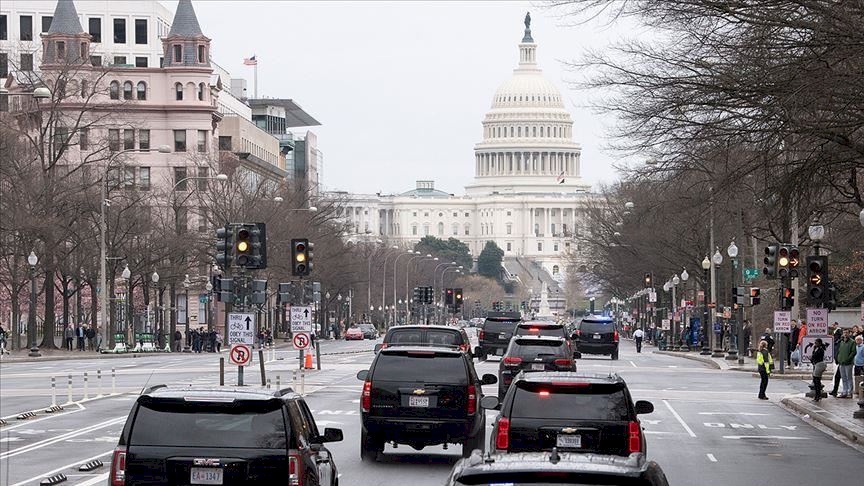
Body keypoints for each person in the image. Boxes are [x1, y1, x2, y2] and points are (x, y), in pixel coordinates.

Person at [836, 328, 856, 398]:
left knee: (849, 378)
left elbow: (853, 352)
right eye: (844, 333)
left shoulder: (852, 342)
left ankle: (849, 392)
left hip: (848, 363)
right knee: (843, 378)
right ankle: (844, 391)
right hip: (841, 363)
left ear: (849, 333)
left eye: (847, 332)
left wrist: (848, 359)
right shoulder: (841, 341)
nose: (845, 334)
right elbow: (839, 351)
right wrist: (838, 358)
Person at [810, 338, 827, 402]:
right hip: (816, 364)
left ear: (819, 343)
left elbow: (814, 356)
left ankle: (818, 396)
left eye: (816, 343)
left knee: (816, 380)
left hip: (819, 365)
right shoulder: (817, 349)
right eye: (815, 342)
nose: (815, 344)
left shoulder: (820, 350)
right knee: (816, 380)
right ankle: (817, 395)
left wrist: (814, 352)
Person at [829, 325, 843, 396]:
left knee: (845, 378)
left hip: (844, 363)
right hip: (840, 363)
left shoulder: (848, 343)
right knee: (837, 377)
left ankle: (846, 391)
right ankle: (835, 390)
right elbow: (837, 352)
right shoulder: (839, 343)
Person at [853, 335, 864, 399]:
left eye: (858, 340)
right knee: (856, 377)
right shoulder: (856, 347)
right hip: (856, 364)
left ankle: (862, 390)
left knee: (862, 377)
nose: (857, 341)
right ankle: (857, 389)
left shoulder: (863, 347)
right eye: (856, 340)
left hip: (862, 364)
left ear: (861, 340)